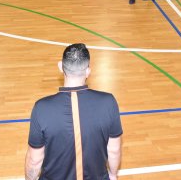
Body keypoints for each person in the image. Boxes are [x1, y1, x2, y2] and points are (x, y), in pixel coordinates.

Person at [25, 43, 123, 180]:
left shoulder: (41, 108)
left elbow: (34, 161)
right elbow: (114, 150)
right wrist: (113, 175)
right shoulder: (109, 102)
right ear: (88, 71)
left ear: (60, 67)